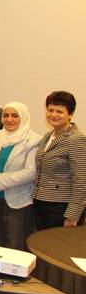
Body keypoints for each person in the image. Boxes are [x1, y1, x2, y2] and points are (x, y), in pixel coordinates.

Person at [0, 102, 40, 251]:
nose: (9, 119)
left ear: (23, 117)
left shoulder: (33, 141)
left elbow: (31, 173)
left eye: (15, 116)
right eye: (6, 115)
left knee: (15, 247)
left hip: (17, 203)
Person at [33, 91, 86, 230]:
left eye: (59, 111)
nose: (53, 115)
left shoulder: (76, 139)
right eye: (50, 110)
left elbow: (81, 180)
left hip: (61, 208)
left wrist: (72, 215)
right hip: (42, 203)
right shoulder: (48, 136)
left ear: (70, 114)